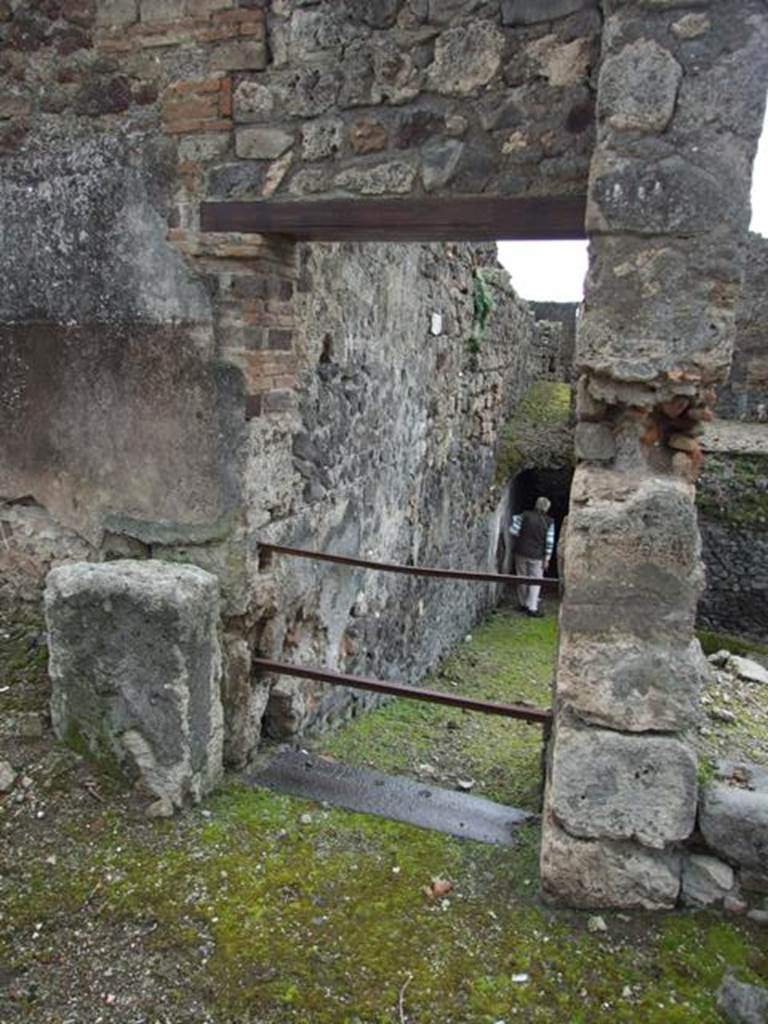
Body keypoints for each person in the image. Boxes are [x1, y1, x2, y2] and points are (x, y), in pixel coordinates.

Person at [509, 496, 554, 617]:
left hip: (521, 551)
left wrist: (516, 522)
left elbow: (513, 531)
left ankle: (523, 603)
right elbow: (549, 542)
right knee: (536, 580)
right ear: (547, 508)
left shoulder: (524, 515)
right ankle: (532, 607)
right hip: (537, 555)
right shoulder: (549, 522)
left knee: (521, 578)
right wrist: (547, 558)